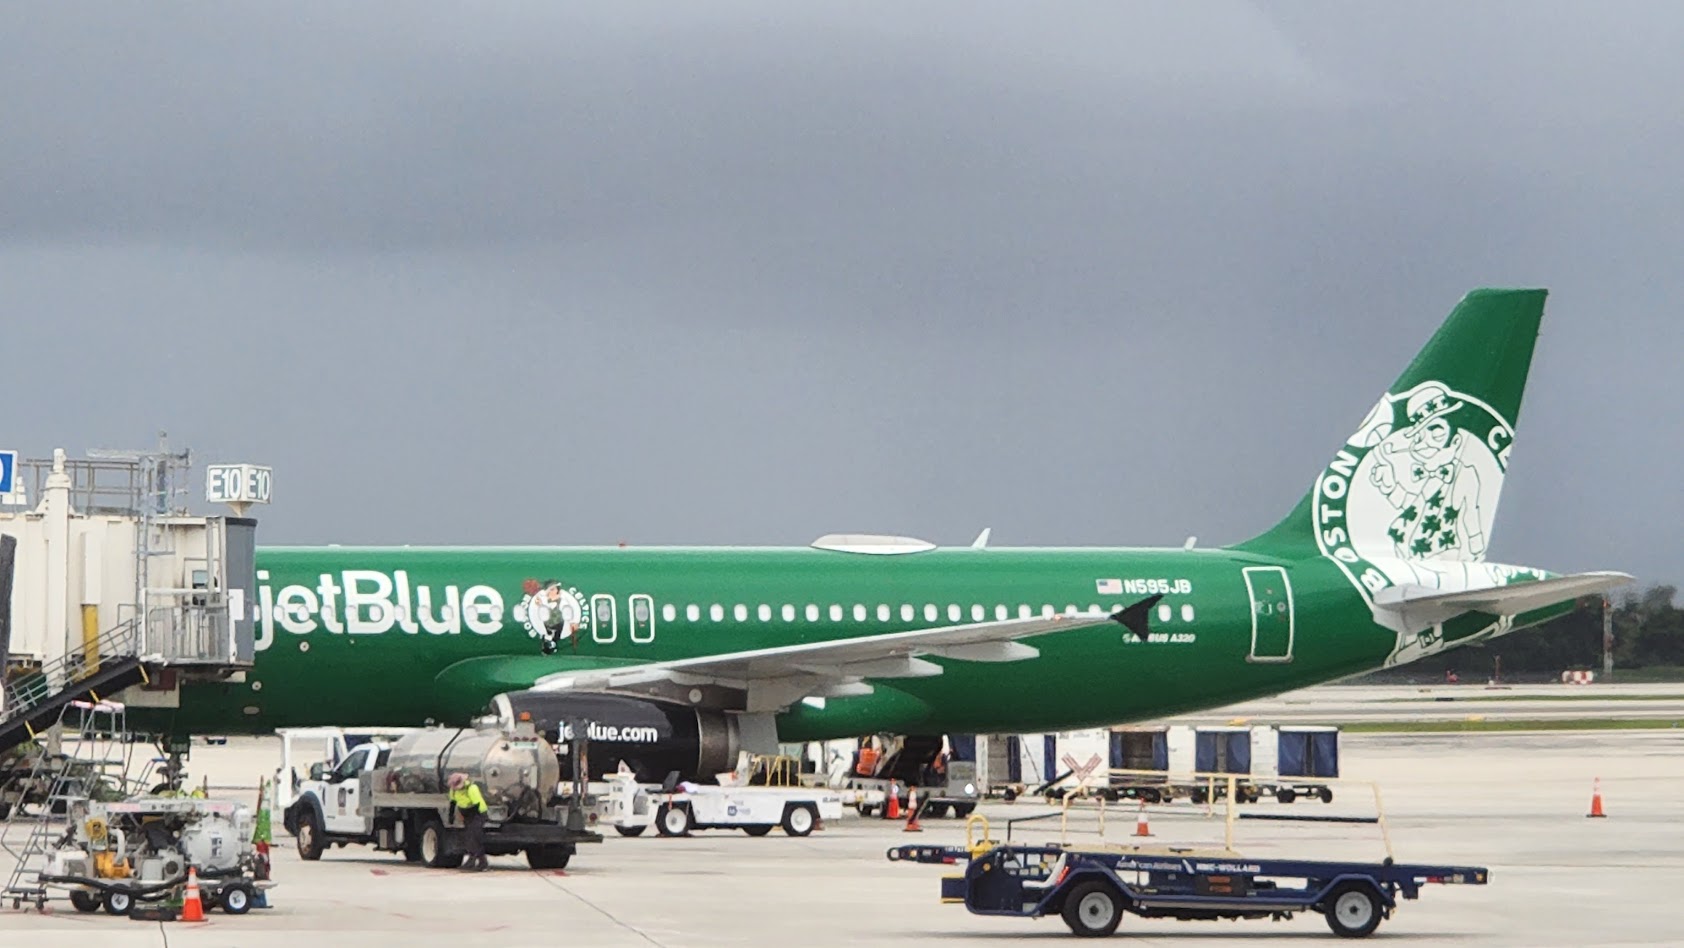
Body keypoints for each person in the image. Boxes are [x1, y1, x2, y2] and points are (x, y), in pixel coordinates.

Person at [447, 772, 489, 871]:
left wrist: (467, 814)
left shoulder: (471, 788)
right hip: (466, 815)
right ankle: (481, 862)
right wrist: (451, 815)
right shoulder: (453, 790)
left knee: (474, 836)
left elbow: (477, 805)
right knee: (469, 837)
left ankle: (474, 861)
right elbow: (453, 802)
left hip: (478, 813)